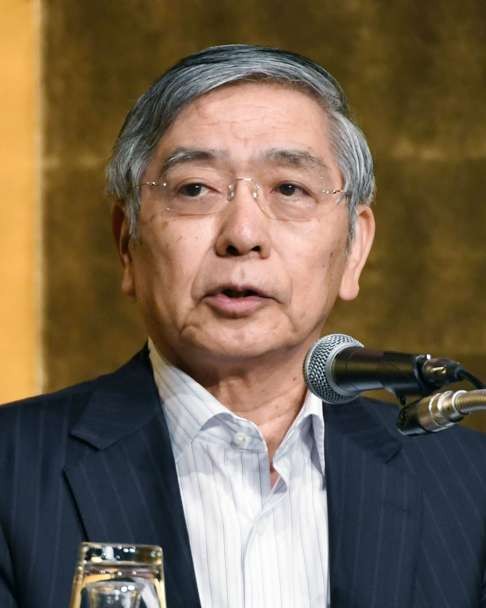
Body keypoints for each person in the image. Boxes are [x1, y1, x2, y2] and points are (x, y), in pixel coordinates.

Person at [0, 44, 485, 608]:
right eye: (195, 189)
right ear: (126, 245)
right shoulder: (11, 472)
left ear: (354, 249)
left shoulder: (468, 485)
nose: (243, 234)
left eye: (288, 189)